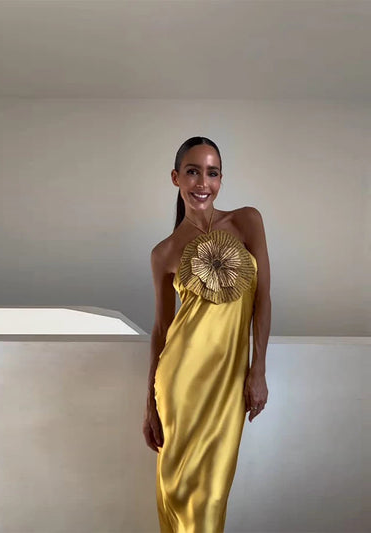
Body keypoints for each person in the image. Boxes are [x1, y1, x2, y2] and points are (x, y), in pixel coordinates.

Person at [143, 136, 271, 532]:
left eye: (212, 173)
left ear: (220, 179)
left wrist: (258, 370)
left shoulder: (247, 221)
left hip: (228, 381)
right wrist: (150, 404)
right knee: (179, 490)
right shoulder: (164, 252)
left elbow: (263, 299)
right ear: (176, 178)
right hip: (179, 384)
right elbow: (162, 330)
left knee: (212, 495)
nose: (203, 183)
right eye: (193, 171)